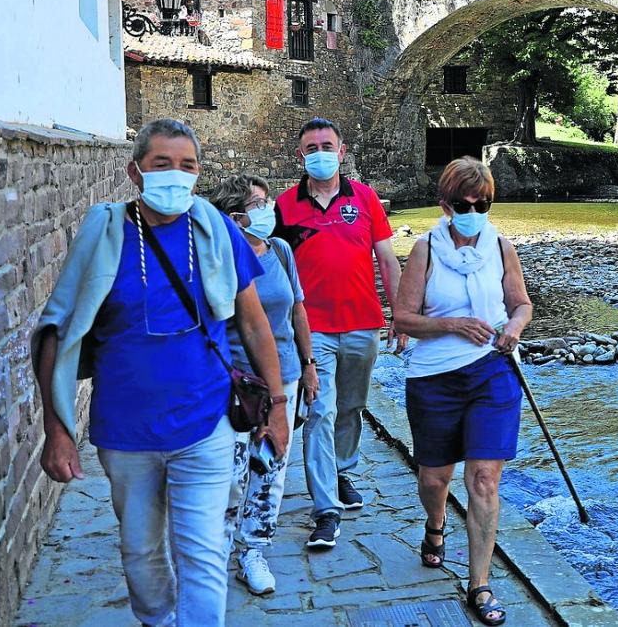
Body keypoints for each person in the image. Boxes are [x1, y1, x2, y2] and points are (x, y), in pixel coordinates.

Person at [33, 119, 289, 627]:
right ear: (135, 171)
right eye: (162, 164)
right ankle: (157, 620)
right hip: (125, 430)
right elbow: (58, 331)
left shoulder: (216, 230)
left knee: (203, 551)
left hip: (206, 423)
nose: (176, 175)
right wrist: (56, 430)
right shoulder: (104, 233)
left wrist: (278, 408)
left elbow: (255, 324)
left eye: (187, 165)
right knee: (141, 552)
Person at [392, 157, 534, 627]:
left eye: (483, 202)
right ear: (445, 204)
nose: (473, 209)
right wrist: (451, 324)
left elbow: (521, 304)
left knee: (484, 480)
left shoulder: (502, 246)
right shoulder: (425, 250)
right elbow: (404, 319)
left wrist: (513, 327)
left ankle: (480, 582)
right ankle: (435, 526)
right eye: (463, 203)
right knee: (435, 479)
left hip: (493, 372)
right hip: (434, 378)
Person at [274, 117, 404, 549]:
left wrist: (399, 313)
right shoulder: (284, 207)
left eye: (327, 146)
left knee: (352, 406)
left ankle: (340, 469)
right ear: (300, 156)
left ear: (342, 152)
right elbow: (270, 264)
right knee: (320, 412)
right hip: (313, 331)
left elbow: (387, 259)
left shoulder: (366, 199)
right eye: (311, 147)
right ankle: (325, 510)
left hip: (363, 323)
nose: (320, 153)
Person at [209, 175, 317, 595]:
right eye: (258, 203)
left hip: (285, 375)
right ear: (235, 216)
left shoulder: (281, 251)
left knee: (271, 466)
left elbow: (298, 311)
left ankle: (254, 550)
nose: (267, 210)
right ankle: (217, 551)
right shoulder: (217, 258)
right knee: (232, 473)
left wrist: (309, 366)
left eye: (267, 200)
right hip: (234, 381)